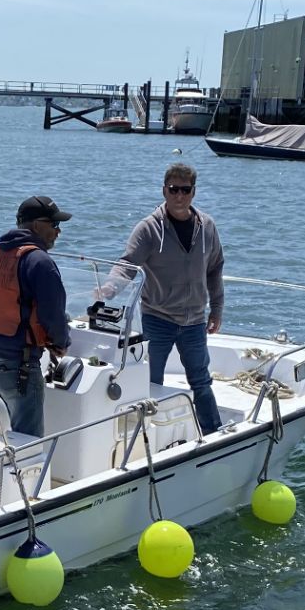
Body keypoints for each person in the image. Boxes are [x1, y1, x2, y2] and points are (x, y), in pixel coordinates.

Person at [96, 162, 225, 433]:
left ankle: (214, 433)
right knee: (149, 382)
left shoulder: (208, 226)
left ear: (194, 192)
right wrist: (107, 289)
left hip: (194, 322)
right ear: (164, 191)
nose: (179, 195)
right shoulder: (149, 228)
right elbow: (127, 264)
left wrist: (217, 309)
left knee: (201, 381)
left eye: (185, 190)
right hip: (157, 320)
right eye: (173, 189)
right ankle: (149, 437)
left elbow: (215, 268)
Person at [0, 195, 73, 437]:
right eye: (54, 225)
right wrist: (61, 344)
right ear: (37, 225)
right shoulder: (40, 262)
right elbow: (54, 314)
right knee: (27, 441)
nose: (58, 231)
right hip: (18, 365)